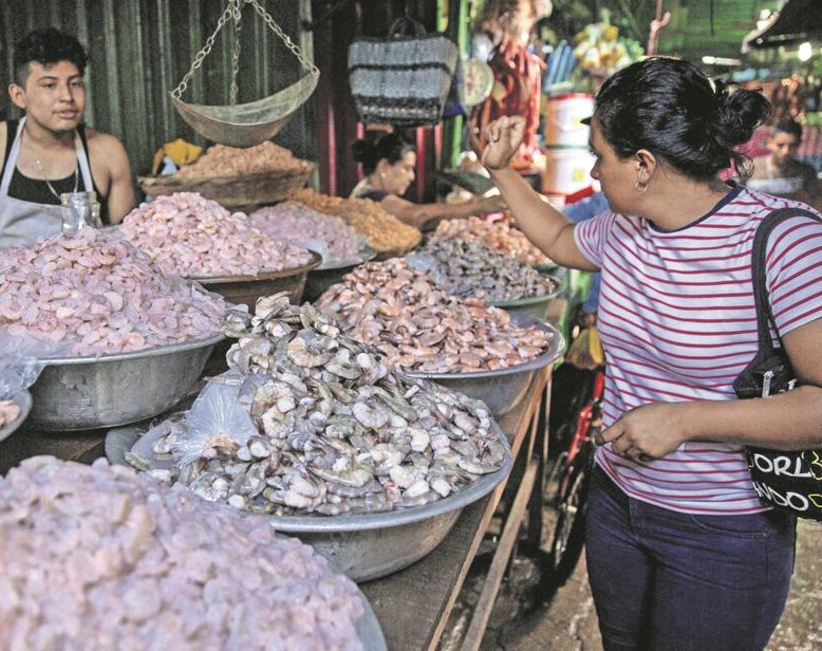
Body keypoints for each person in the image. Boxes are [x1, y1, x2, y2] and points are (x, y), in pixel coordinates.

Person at [482, 57, 822, 650]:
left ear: (642, 165)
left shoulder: (783, 241)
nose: (592, 169)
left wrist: (688, 420)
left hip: (727, 533)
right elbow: (561, 239)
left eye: (600, 155)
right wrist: (502, 172)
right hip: (617, 504)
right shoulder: (625, 229)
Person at [0, 28, 135, 278]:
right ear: (18, 95)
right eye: (49, 85)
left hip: (85, 298)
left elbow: (125, 240)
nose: (66, 97)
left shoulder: (107, 152)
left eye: (74, 83)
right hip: (2, 295)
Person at [351, 133, 503, 230]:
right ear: (384, 166)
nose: (412, 177)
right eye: (406, 168)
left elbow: (424, 218)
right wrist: (480, 206)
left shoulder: (365, 190)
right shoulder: (370, 196)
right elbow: (418, 215)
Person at [747, 118, 821, 206]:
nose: (786, 151)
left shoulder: (805, 171)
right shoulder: (750, 168)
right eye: (780, 145)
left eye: (792, 146)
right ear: (769, 142)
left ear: (799, 144)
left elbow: (817, 201)